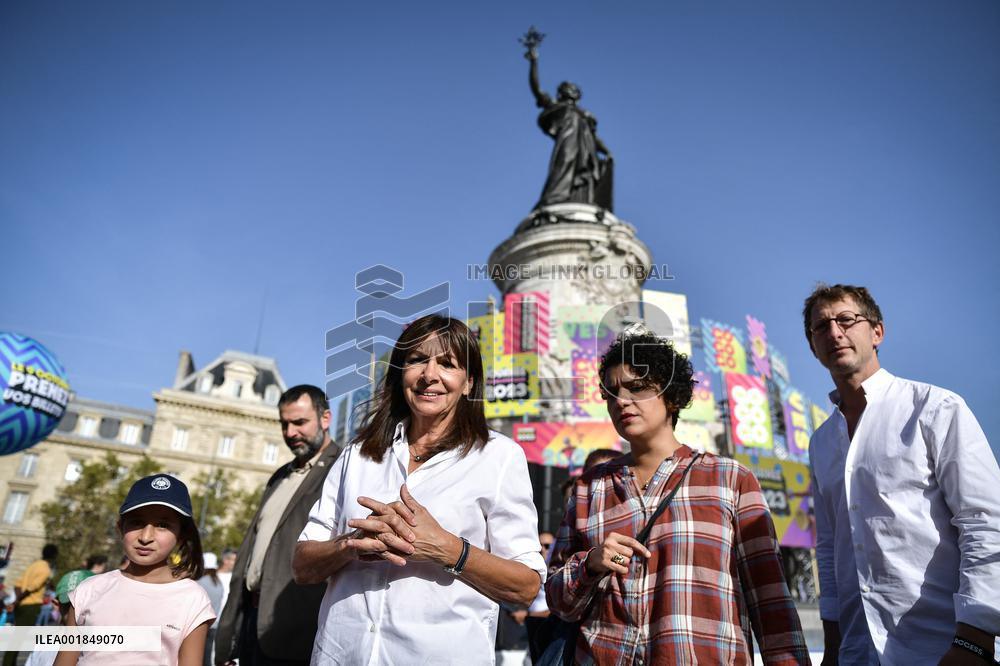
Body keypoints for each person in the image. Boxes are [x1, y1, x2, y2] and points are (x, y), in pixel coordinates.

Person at [293, 314, 546, 664]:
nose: (429, 375)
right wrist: (350, 544)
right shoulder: (358, 453)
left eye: (447, 364)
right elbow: (302, 566)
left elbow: (526, 587)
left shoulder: (499, 457)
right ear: (400, 374)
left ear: (469, 383)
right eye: (416, 360)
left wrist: (447, 549)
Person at [546, 331, 810, 664]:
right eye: (611, 393)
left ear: (671, 396)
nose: (621, 401)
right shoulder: (589, 487)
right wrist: (590, 564)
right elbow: (557, 601)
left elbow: (770, 599)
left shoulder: (730, 479)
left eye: (637, 388)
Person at [803, 284, 1000, 665]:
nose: (834, 333)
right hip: (857, 652)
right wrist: (833, 648)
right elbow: (828, 549)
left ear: (877, 332)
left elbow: (985, 522)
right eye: (821, 327)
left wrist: (974, 638)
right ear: (813, 346)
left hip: (942, 647)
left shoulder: (935, 408)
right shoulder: (821, 442)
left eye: (846, 320)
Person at [215, 385, 340, 666]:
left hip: (296, 632)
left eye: (300, 422)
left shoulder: (342, 468)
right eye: (284, 424)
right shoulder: (280, 476)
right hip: (251, 623)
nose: (290, 432)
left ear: (325, 418)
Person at [54, 474, 215, 666]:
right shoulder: (88, 590)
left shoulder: (192, 599)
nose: (146, 537)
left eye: (163, 525)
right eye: (137, 522)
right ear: (120, 527)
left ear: (181, 535)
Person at [524, 42, 613, 210]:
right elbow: (537, 89)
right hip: (567, 143)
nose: (571, 90)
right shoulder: (557, 106)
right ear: (560, 93)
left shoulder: (584, 114)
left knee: (585, 176)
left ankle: (580, 201)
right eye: (567, 88)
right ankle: (555, 198)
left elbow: (593, 138)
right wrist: (533, 62)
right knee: (563, 165)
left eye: (574, 89)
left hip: (586, 150)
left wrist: (606, 151)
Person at [4, 543, 59, 666]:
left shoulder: (34, 565)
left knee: (17, 638)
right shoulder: (45, 569)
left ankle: (11, 663)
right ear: (54, 556)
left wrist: (18, 600)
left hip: (21, 606)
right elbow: (32, 587)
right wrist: (17, 600)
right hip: (31, 606)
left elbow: (18, 584)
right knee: (17, 639)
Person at [197, 553, 225, 666]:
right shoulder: (218, 583)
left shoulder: (200, 582)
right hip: (214, 625)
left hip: (201, 625)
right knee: (207, 657)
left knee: (197, 657)